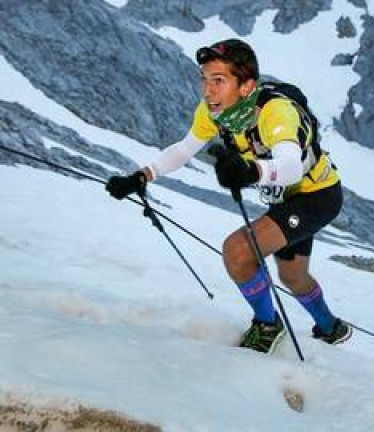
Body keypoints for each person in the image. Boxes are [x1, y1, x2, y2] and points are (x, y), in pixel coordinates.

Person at [106, 38, 352, 354]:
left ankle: (267, 326)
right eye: (205, 80)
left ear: (246, 86)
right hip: (286, 200)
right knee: (292, 275)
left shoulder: (275, 112)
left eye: (218, 81)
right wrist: (141, 177)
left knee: (238, 251)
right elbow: (183, 150)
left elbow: (290, 166)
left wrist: (250, 172)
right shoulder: (214, 113)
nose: (207, 91)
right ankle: (331, 328)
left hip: (316, 196)